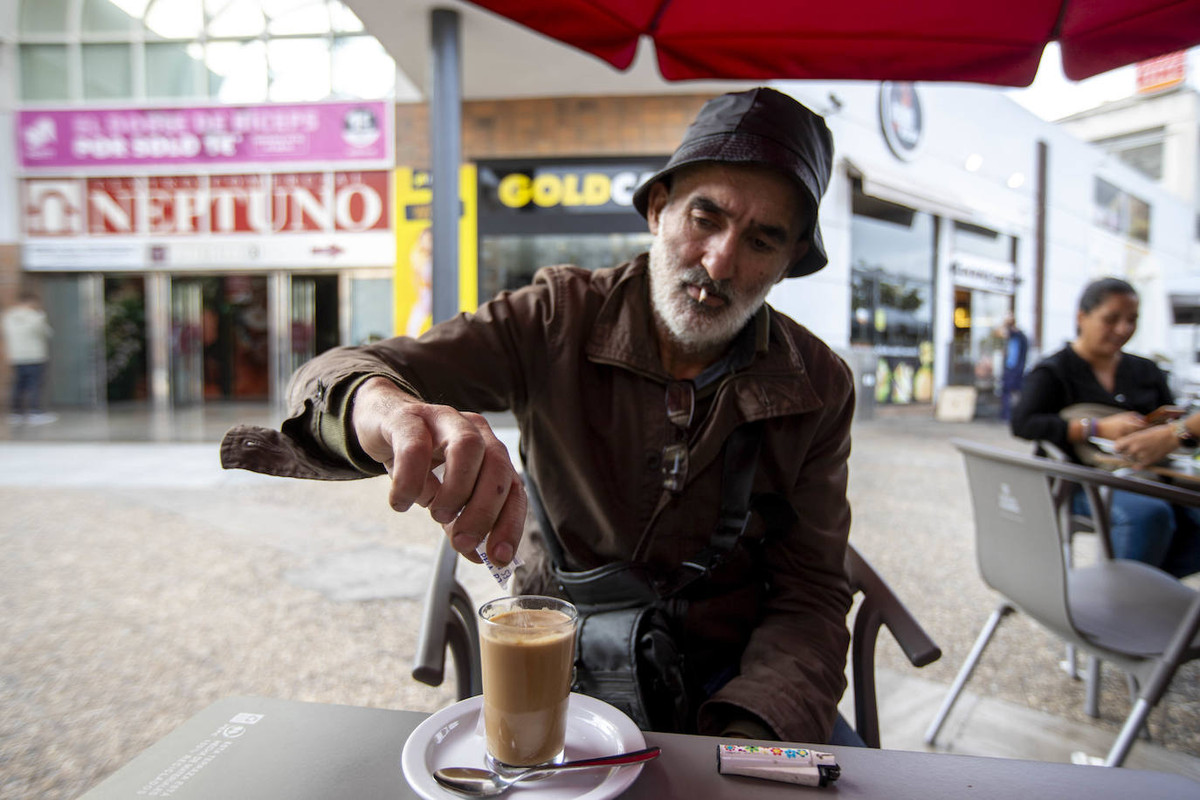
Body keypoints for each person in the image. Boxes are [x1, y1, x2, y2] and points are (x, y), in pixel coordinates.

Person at [222, 88, 855, 744]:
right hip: (563, 661)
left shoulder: (818, 385)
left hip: (736, 682)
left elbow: (812, 591)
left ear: (787, 265)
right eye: (705, 218)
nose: (720, 260)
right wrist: (389, 410)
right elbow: (340, 370)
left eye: (761, 239)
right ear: (659, 210)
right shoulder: (554, 317)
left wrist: (753, 730)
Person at [1011, 277, 1200, 577]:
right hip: (1078, 481)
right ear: (1082, 317)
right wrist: (1095, 428)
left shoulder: (1145, 370)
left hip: (1148, 475)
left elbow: (1176, 428)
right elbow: (1023, 423)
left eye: (1132, 320)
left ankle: (1153, 590)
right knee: (1149, 514)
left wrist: (1164, 433)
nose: (1123, 329)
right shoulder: (1055, 370)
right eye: (1111, 319)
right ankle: (1125, 602)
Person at [3, 290, 57, 426]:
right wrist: (41, 317)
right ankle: (35, 412)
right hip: (34, 355)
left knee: (18, 385)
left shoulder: (8, 316)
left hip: (16, 356)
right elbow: (47, 333)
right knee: (35, 384)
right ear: (31, 302)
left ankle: (16, 413)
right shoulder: (35, 316)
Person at [998, 313, 1027, 421]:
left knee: (1011, 393)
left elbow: (1002, 332)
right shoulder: (1016, 337)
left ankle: (1010, 416)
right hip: (1012, 369)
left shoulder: (1018, 337)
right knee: (1009, 393)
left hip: (1014, 370)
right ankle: (1007, 415)